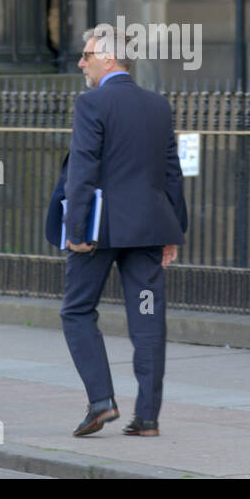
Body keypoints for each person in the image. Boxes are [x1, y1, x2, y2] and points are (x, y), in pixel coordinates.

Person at [55, 23, 187, 437]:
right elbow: (171, 173)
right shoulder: (157, 105)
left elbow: (83, 171)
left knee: (77, 311)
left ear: (109, 57)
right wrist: (174, 231)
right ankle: (147, 418)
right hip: (148, 231)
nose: (81, 62)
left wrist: (75, 229)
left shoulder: (92, 103)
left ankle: (100, 402)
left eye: (87, 55)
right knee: (148, 320)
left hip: (98, 232)